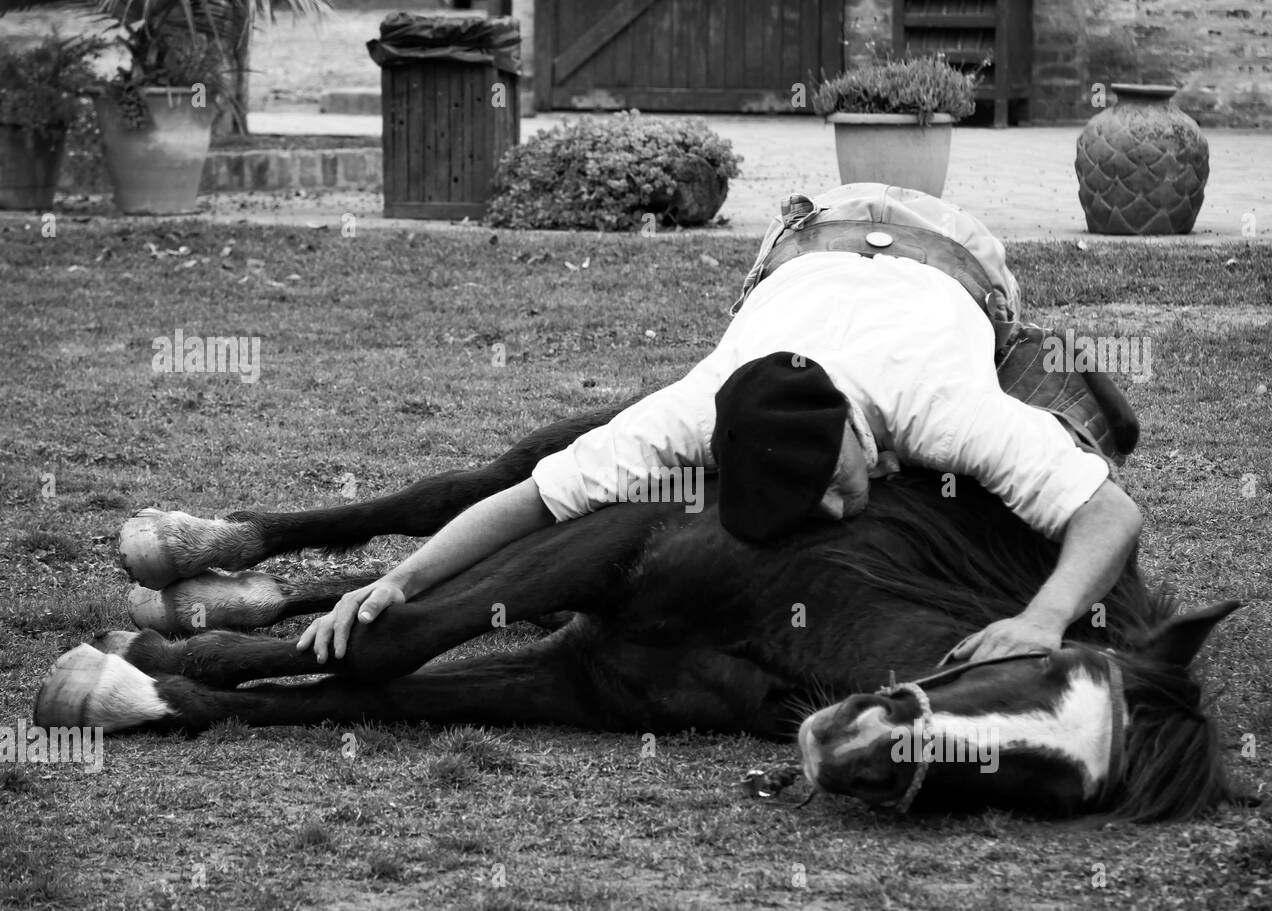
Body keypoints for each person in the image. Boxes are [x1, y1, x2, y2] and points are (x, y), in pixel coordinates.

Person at [298, 217, 1142, 667]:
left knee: (1082, 431)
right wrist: (396, 582)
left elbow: (1109, 514)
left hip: (953, 252)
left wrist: (1044, 619)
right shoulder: (689, 411)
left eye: (833, 480)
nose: (836, 507)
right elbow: (537, 497)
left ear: (859, 427)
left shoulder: (943, 403)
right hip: (799, 254)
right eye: (802, 500)